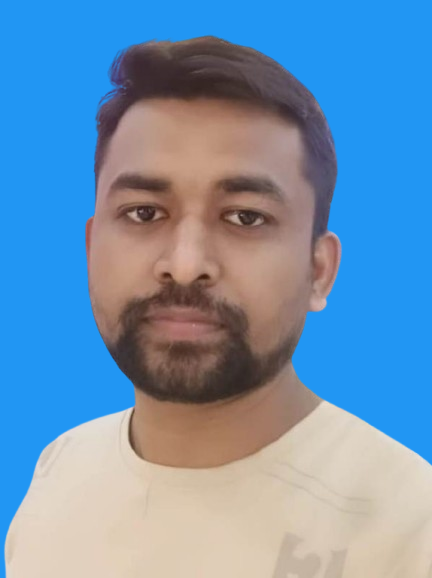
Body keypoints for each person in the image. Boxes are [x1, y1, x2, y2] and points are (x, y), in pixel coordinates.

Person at [5, 36, 432, 578]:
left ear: (319, 270)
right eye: (143, 213)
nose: (185, 265)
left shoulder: (410, 527)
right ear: (91, 249)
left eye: (245, 217)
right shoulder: (60, 470)